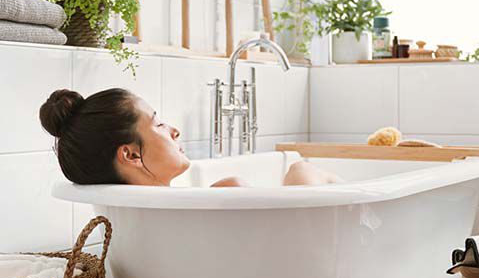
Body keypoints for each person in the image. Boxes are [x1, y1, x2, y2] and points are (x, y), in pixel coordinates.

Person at [39, 88, 341, 187]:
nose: (174, 130)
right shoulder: (226, 193)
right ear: (130, 154)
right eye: (158, 125)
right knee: (301, 170)